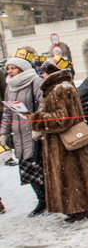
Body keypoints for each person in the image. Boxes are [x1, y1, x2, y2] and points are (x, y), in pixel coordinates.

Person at [30, 60, 88, 222]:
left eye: (43, 73)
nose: (41, 76)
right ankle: (77, 207)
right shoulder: (58, 87)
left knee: (74, 175)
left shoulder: (61, 89)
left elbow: (63, 119)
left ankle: (80, 207)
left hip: (68, 142)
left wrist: (36, 119)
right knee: (73, 175)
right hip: (63, 142)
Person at [0, 56, 46, 216]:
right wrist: (4, 132)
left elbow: (42, 104)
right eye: (8, 68)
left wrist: (37, 124)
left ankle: (48, 199)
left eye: (13, 68)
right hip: (18, 134)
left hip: (33, 132)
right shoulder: (9, 87)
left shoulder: (35, 81)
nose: (9, 71)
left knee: (40, 167)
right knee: (27, 170)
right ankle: (41, 200)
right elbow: (7, 111)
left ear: (21, 68)